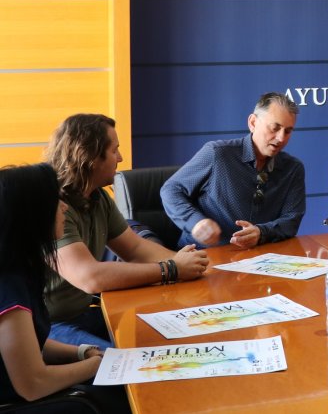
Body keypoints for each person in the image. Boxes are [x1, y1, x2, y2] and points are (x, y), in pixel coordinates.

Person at [44, 114, 209, 349]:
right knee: (122, 366)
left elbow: (136, 249)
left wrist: (193, 263)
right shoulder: (53, 206)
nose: (120, 158)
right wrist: (171, 269)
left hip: (84, 315)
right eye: (114, 151)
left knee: (169, 338)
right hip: (49, 327)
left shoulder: (98, 197)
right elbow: (90, 278)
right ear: (89, 156)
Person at [0, 163, 130, 412]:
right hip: (18, 403)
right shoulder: (9, 285)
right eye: (56, 201)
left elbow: (31, 343)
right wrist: (95, 365)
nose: (65, 207)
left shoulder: (20, 269)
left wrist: (84, 352)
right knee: (122, 391)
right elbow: (33, 384)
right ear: (32, 213)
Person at [162, 92, 306, 249]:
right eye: (275, 128)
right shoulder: (217, 154)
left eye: (288, 131)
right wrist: (195, 222)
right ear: (252, 122)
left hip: (259, 260)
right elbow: (171, 190)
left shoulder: (293, 168)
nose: (281, 138)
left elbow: (292, 219)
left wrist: (261, 232)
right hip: (203, 256)